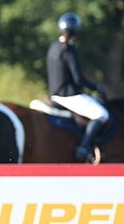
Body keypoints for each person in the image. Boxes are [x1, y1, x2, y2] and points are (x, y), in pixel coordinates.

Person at [47, 12, 109, 162]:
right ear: (75, 32)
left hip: (54, 95)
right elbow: (79, 79)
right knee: (102, 114)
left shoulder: (53, 47)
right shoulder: (69, 50)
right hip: (69, 97)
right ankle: (83, 147)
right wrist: (97, 87)